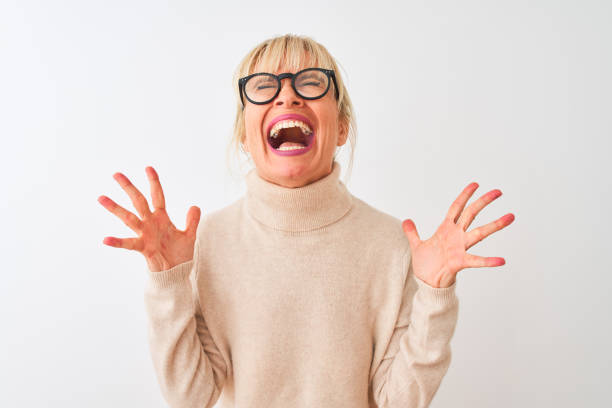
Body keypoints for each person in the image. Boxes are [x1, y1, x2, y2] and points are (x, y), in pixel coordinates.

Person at [98, 34, 515, 408]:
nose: (287, 97)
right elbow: (190, 399)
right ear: (245, 134)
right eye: (264, 87)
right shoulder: (204, 243)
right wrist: (169, 282)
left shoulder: (392, 245)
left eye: (311, 82)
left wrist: (433, 295)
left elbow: (398, 402)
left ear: (342, 129)